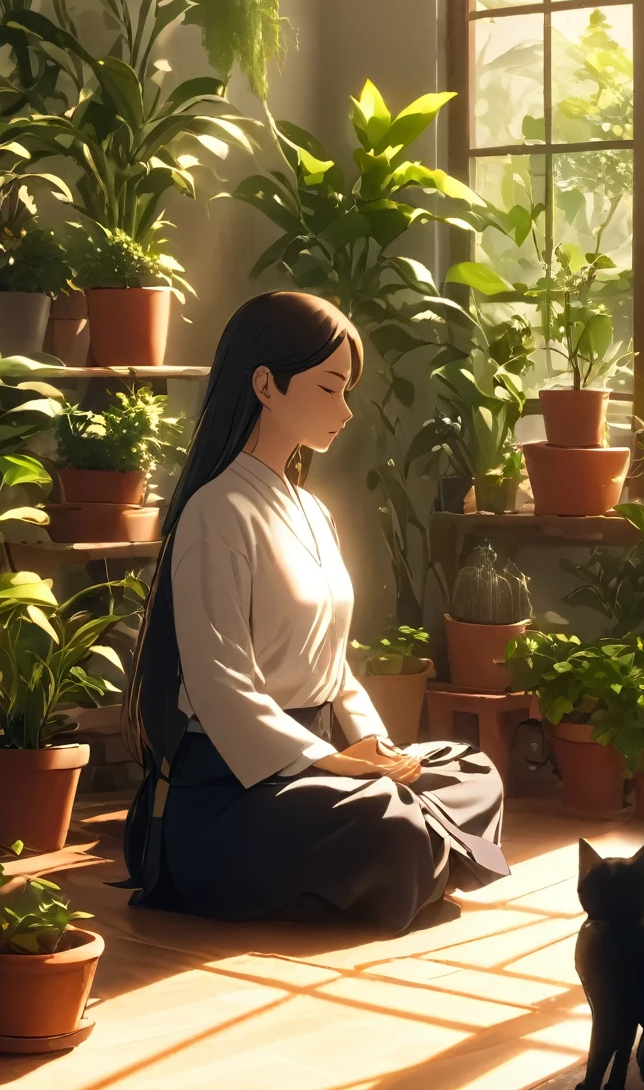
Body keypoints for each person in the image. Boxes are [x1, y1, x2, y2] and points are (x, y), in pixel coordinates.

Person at [123, 290, 507, 932]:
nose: (346, 410)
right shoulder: (214, 513)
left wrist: (375, 749)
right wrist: (334, 764)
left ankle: (384, 872)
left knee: (471, 770)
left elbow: (336, 669)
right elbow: (221, 692)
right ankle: (405, 864)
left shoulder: (313, 511)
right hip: (235, 786)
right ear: (266, 385)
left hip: (320, 759)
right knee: (385, 821)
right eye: (330, 388)